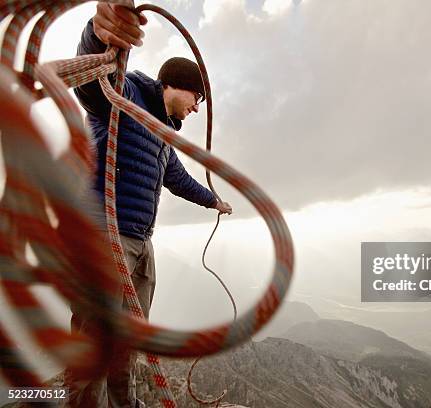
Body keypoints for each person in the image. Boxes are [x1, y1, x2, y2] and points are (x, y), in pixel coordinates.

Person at [65, 3, 232, 407]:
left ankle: (126, 403)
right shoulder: (125, 93)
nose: (197, 108)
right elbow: (91, 82)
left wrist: (213, 200)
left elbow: (176, 178)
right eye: (197, 98)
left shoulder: (161, 133)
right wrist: (100, 33)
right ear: (176, 84)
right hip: (103, 236)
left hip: (139, 243)